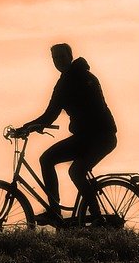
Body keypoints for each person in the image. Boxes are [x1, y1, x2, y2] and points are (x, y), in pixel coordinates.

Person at [16, 42, 117, 226]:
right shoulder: (72, 79)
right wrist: (30, 126)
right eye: (55, 58)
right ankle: (61, 213)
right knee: (55, 162)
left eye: (61, 57)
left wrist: (28, 127)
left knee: (70, 168)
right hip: (90, 136)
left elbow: (51, 115)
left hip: (99, 136)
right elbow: (51, 114)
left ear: (70, 56)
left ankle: (93, 217)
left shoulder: (77, 79)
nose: (58, 61)